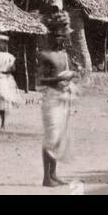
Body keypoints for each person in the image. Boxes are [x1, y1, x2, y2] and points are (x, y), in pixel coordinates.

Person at [38, 13, 78, 188]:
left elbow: (68, 73)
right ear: (51, 36)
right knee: (51, 138)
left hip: (63, 97)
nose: (61, 40)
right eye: (57, 36)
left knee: (60, 138)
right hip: (52, 98)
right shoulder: (45, 55)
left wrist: (70, 77)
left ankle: (54, 174)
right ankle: (46, 177)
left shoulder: (64, 55)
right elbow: (39, 79)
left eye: (63, 36)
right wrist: (58, 79)